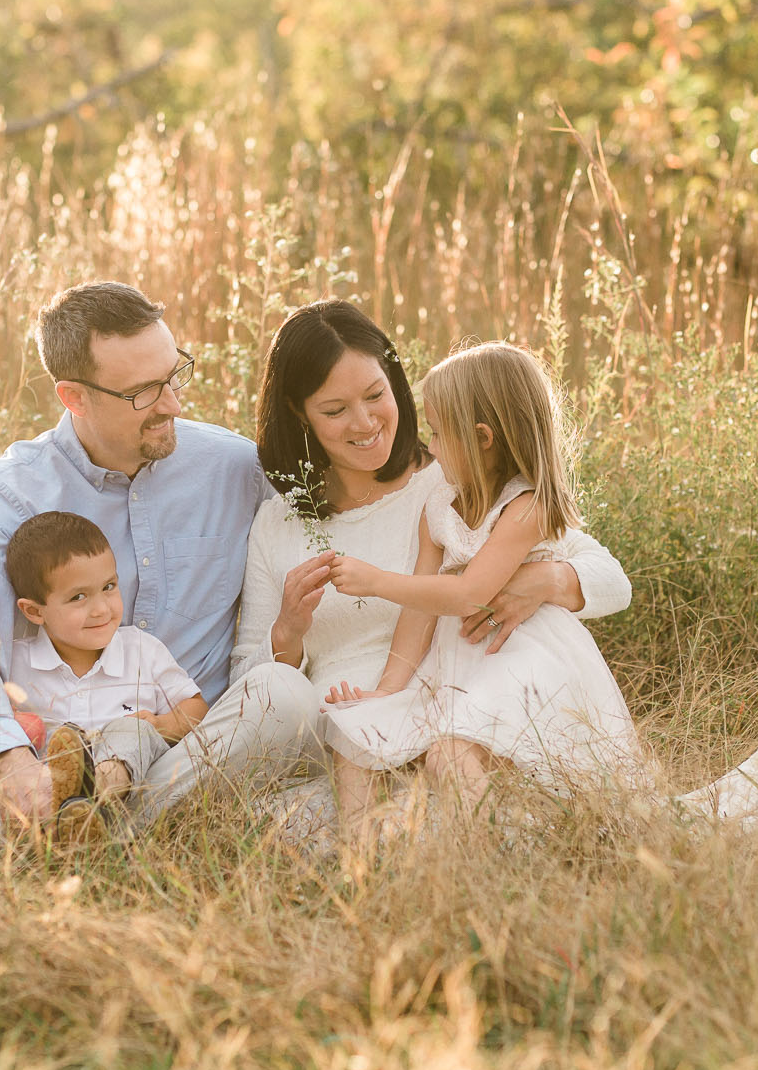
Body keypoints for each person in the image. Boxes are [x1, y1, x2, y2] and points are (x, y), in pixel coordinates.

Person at [0, 281, 316, 831]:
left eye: (174, 375)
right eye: (143, 392)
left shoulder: (237, 468)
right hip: (46, 750)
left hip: (184, 754)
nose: (172, 404)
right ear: (73, 397)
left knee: (286, 697)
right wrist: (11, 761)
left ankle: (80, 836)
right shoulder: (4, 496)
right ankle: (55, 822)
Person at [229, 303, 640, 833]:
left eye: (376, 395)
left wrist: (546, 580)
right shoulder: (277, 523)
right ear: (298, 412)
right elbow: (249, 682)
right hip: (347, 729)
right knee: (302, 824)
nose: (365, 423)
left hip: (454, 717)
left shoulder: (452, 481)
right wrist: (287, 635)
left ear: (394, 381)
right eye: (335, 410)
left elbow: (611, 579)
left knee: (440, 818)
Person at [2, 511, 208, 833]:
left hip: (133, 789)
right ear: (34, 611)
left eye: (109, 586)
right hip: (43, 792)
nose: (101, 608)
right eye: (78, 597)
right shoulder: (17, 664)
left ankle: (93, 803)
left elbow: (196, 708)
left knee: (132, 731)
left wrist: (160, 725)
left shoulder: (142, 650)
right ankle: (69, 819)